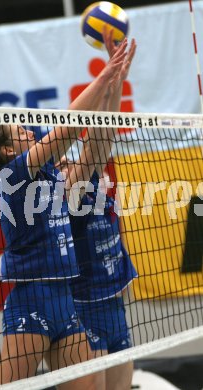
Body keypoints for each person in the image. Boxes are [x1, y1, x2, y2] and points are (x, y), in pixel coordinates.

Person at [0, 41, 128, 388]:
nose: (29, 130)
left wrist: (113, 89)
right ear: (9, 150)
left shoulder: (53, 178)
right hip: (31, 302)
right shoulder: (13, 177)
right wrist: (102, 77)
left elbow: (96, 150)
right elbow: (66, 131)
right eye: (21, 131)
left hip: (65, 302)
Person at [56, 31, 138, 390]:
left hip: (113, 302)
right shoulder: (66, 197)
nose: (63, 162)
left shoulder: (92, 181)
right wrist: (109, 79)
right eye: (57, 163)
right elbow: (91, 148)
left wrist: (117, 79)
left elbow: (102, 136)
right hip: (84, 307)